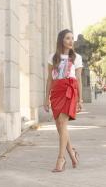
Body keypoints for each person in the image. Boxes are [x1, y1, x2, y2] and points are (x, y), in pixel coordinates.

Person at [43, 29, 83, 172]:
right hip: (56, 92)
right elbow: (49, 79)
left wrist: (80, 99)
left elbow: (78, 80)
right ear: (61, 40)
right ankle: (72, 153)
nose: (71, 41)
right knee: (60, 127)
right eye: (67, 38)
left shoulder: (77, 57)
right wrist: (46, 98)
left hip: (69, 91)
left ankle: (61, 158)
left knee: (62, 123)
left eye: (72, 38)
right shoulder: (52, 57)